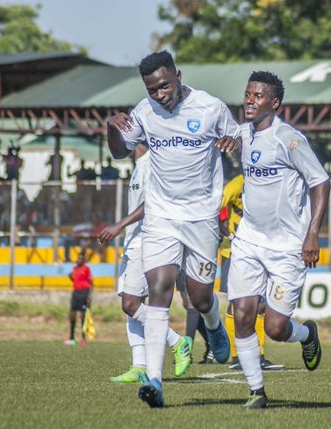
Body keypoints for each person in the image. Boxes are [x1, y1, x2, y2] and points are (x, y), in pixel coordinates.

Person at [106, 50, 240, 408]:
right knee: (159, 288)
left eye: (164, 86)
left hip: (201, 218)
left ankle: (213, 324)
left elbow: (240, 139)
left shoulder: (210, 108)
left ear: (178, 76)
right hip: (161, 216)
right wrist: (112, 129)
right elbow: (121, 152)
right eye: (152, 90)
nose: (159, 94)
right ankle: (154, 380)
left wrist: (233, 142)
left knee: (199, 296)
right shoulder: (144, 112)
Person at [228, 71, 330, 409]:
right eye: (247, 94)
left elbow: (321, 183)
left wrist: (312, 234)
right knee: (242, 314)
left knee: (274, 328)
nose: (249, 100)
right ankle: (257, 392)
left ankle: (306, 334)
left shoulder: (290, 139)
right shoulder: (241, 133)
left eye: (257, 96)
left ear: (274, 103)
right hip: (249, 239)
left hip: (287, 245)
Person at [99, 143, 193, 383]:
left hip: (147, 240)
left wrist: (119, 225)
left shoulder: (152, 162)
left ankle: (177, 341)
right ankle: (139, 366)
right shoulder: (138, 164)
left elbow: (152, 202)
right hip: (133, 241)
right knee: (131, 302)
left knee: (130, 304)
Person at [220, 173, 283, 371]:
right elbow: (218, 212)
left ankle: (258, 355)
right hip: (234, 252)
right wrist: (230, 235)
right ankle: (237, 356)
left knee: (261, 304)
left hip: (259, 251)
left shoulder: (266, 183)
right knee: (237, 304)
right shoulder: (235, 185)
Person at [64, 251, 93, 347]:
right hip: (75, 293)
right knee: (72, 315)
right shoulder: (75, 268)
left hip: (84, 293)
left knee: (83, 316)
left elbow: (91, 283)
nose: (78, 260)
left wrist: (89, 297)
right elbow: (75, 280)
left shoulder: (86, 269)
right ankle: (71, 338)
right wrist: (70, 278)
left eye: (80, 258)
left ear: (83, 260)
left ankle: (83, 338)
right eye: (78, 258)